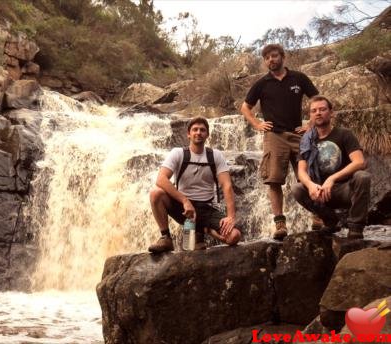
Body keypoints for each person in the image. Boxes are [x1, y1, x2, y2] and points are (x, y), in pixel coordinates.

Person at [240, 43, 319, 240]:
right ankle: (280, 224)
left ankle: (318, 216)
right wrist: (257, 124)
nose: (271, 60)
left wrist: (310, 123)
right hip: (274, 136)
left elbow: (317, 98)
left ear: (282, 57)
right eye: (267, 58)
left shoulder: (299, 78)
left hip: (299, 135)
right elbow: (245, 107)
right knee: (274, 180)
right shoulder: (262, 83)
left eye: (274, 56)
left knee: (307, 176)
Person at [148, 116, 242, 253]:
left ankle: (202, 229)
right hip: (182, 208)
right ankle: (166, 238)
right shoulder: (178, 153)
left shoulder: (215, 156)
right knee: (155, 193)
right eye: (195, 130)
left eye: (202, 130)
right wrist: (185, 200)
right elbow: (161, 179)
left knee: (234, 236)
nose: (198, 132)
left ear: (207, 135)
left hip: (207, 208)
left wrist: (231, 216)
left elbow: (227, 185)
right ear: (188, 134)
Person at [292, 95, 370, 239]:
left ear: (331, 112)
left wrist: (332, 178)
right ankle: (330, 220)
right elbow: (301, 171)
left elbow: (360, 162)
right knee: (297, 188)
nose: (318, 113)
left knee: (362, 176)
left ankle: (356, 227)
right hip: (320, 193)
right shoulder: (306, 141)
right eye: (314, 110)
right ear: (310, 115)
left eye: (322, 109)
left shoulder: (344, 134)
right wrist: (310, 185)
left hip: (345, 189)